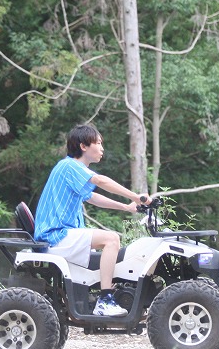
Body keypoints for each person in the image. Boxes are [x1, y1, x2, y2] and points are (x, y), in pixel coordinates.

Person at [33, 124, 147, 317]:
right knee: (112, 239)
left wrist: (126, 207)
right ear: (83, 146)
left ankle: (106, 296)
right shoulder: (69, 166)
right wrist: (136, 197)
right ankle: (105, 300)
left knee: (108, 244)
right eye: (99, 143)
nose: (102, 148)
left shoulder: (72, 171)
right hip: (55, 235)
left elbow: (93, 198)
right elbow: (100, 181)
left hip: (59, 234)